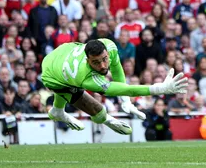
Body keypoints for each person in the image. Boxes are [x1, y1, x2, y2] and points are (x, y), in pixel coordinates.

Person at [41, 39, 188, 135]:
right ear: (88, 61)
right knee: (99, 113)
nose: (103, 66)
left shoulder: (109, 46)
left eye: (104, 59)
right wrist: (159, 88)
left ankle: (57, 111)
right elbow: (127, 89)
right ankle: (61, 111)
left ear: (106, 52)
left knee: (68, 85)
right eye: (96, 63)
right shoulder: (86, 78)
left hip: (64, 51)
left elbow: (117, 71)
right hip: (51, 74)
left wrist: (125, 101)